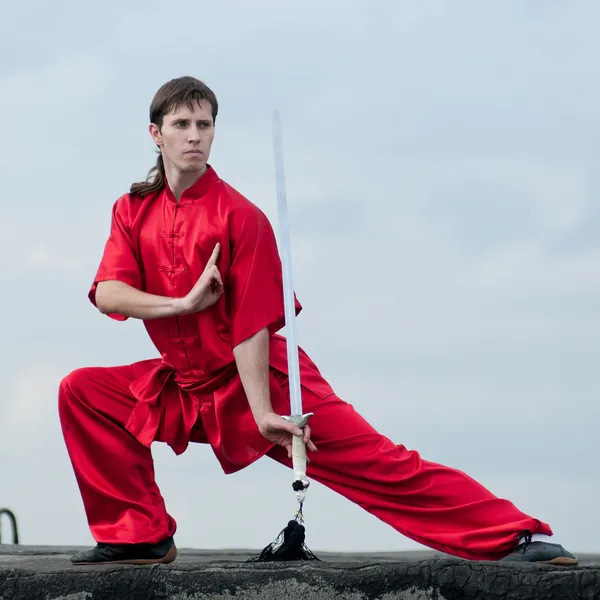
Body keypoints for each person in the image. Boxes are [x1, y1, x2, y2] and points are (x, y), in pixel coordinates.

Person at [58, 76, 577, 567]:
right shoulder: (131, 209)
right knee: (83, 393)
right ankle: (140, 536)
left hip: (267, 383)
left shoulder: (241, 216)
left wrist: (262, 412)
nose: (195, 136)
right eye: (181, 125)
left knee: (381, 464)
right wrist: (182, 305)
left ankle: (516, 534)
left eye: (205, 125)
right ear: (156, 133)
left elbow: (251, 324)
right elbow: (108, 293)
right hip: (185, 385)